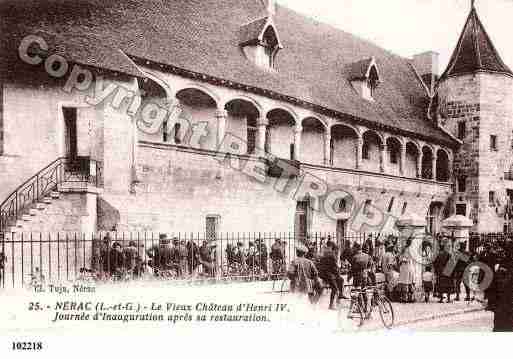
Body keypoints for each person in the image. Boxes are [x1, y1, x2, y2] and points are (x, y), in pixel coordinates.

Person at [318, 242, 345, 310]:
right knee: (335, 288)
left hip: (326, 272)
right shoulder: (331, 255)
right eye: (337, 250)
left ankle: (340, 295)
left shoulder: (325, 252)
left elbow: (333, 267)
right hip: (327, 274)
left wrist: (337, 273)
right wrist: (338, 273)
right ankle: (331, 305)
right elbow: (334, 267)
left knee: (340, 280)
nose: (337, 251)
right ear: (334, 248)